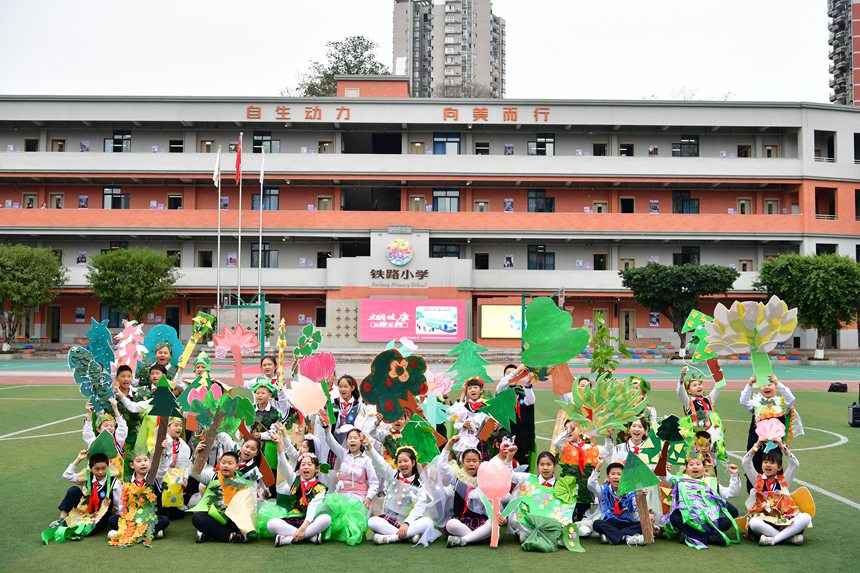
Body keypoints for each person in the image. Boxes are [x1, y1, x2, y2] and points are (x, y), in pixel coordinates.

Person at [662, 450, 741, 549]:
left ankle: (690, 534)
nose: (695, 466)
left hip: (708, 518)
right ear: (686, 468)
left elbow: (731, 493)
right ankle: (707, 538)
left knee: (727, 520)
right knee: (674, 517)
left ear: (704, 468)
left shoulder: (711, 481)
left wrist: (734, 476)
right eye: (691, 464)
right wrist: (662, 460)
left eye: (698, 464)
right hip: (689, 518)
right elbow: (662, 475)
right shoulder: (679, 480)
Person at [741, 437, 810, 546]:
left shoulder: (784, 480)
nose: (768, 465)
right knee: (754, 523)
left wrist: (782, 446)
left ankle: (774, 540)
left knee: (806, 517)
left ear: (779, 467)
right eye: (765, 462)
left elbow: (794, 464)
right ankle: (789, 538)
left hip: (783, 519)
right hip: (765, 520)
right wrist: (758, 444)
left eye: (772, 463)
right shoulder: (757, 480)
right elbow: (746, 462)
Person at [265, 432, 331, 545]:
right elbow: (283, 464)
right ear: (299, 468)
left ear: (317, 469)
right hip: (293, 518)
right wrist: (279, 443)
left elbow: (312, 508)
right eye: (303, 465)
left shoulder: (320, 488)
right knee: (271, 523)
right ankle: (310, 537)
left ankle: (288, 539)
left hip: (309, 521)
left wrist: (303, 528)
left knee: (326, 519)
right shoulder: (294, 480)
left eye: (309, 465)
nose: (306, 467)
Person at [739, 374, 802, 491]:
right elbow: (743, 401)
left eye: (770, 384)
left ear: (776, 388)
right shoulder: (756, 402)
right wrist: (749, 384)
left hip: (775, 443)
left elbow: (791, 399)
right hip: (756, 441)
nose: (766, 387)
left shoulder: (782, 403)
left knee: (773, 465)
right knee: (754, 464)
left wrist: (778, 382)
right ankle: (755, 496)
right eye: (763, 385)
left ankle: (777, 495)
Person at [367, 443, 438, 546]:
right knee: (372, 522)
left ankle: (391, 538)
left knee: (428, 522)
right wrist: (369, 447)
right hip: (391, 520)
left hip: (410, 522)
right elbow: (379, 463)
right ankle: (409, 537)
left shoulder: (420, 484)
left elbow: (419, 507)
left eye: (406, 461)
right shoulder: (392, 475)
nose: (403, 464)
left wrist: (406, 523)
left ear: (413, 462)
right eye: (400, 462)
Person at [48, 449, 123, 538]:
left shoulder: (114, 482)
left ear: (108, 466)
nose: (100, 472)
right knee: (73, 490)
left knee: (85, 530)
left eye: (103, 468)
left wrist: (119, 521)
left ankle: (73, 524)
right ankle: (61, 520)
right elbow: (66, 476)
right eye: (97, 469)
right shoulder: (87, 477)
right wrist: (78, 459)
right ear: (91, 469)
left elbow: (119, 504)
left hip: (102, 516)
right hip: (86, 511)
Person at [435, 436, 492, 548]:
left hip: (481, 521)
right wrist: (449, 444)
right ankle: (479, 538)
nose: (471, 464)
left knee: (492, 524)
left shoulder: (485, 479)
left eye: (475, 461)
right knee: (451, 524)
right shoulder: (457, 477)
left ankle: (464, 539)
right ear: (462, 464)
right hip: (462, 521)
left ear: (480, 463)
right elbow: (441, 466)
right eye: (468, 461)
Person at [189, 451, 256, 543]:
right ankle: (231, 537)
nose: (226, 466)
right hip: (215, 516)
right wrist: (196, 455)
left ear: (237, 466)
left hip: (233, 519)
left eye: (230, 463)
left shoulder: (243, 484)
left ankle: (210, 534)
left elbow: (249, 508)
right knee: (198, 517)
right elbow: (194, 473)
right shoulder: (213, 476)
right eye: (223, 463)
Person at [107, 450, 169, 544]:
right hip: (132, 518)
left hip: (151, 517)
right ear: (132, 465)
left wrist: (163, 454)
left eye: (145, 460)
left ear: (150, 462)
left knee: (164, 520)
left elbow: (162, 470)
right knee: (112, 520)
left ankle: (123, 533)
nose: (143, 464)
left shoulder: (154, 478)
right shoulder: (127, 482)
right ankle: (151, 533)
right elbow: (123, 503)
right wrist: (124, 517)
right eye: (138, 461)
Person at [589, 456, 645, 546]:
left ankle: (610, 535)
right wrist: (599, 465)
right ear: (608, 476)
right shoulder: (604, 490)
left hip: (627, 521)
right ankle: (626, 538)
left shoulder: (630, 491)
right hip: (610, 521)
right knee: (597, 524)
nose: (616, 477)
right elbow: (591, 484)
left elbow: (636, 506)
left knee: (643, 525)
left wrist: (640, 496)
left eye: (619, 474)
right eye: (613, 474)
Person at [553, 418, 600, 523]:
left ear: (580, 431)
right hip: (569, 492)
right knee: (566, 521)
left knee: (583, 522)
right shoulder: (564, 447)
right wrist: (569, 429)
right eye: (567, 429)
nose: (570, 431)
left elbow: (607, 452)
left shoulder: (590, 447)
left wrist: (608, 437)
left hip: (585, 493)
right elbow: (556, 443)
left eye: (573, 428)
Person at [496, 364, 536, 469]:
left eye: (515, 375)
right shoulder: (501, 392)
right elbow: (502, 384)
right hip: (505, 434)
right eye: (508, 374)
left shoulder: (521, 393)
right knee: (504, 464)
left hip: (522, 436)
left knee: (522, 465)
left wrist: (527, 384)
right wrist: (517, 371)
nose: (513, 377)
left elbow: (530, 401)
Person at [448, 377, 492, 460]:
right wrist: (463, 425)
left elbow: (490, 429)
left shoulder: (486, 408)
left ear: (481, 390)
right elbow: (456, 425)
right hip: (464, 443)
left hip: (480, 443)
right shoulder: (463, 408)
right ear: (467, 391)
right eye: (470, 388)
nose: (472, 390)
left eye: (475, 387)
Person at [82, 397, 127, 477]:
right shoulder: (94, 443)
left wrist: (115, 408)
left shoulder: (118, 441)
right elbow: (87, 433)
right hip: (97, 484)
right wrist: (90, 414)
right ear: (98, 429)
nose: (109, 427)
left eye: (112, 425)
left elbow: (122, 427)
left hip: (116, 483)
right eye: (106, 426)